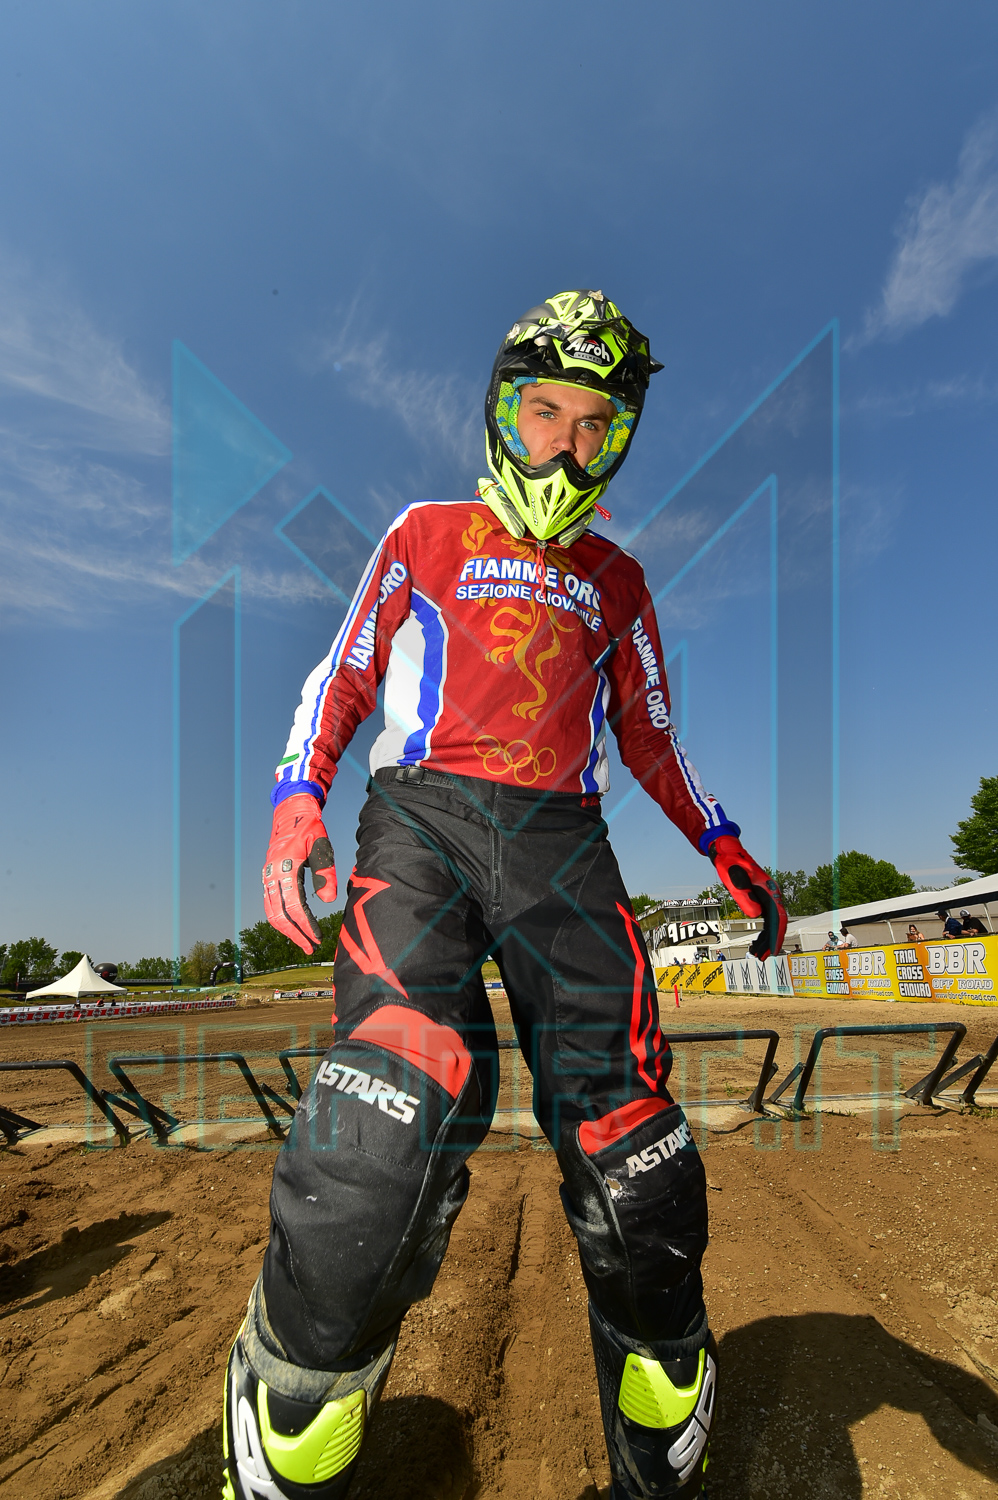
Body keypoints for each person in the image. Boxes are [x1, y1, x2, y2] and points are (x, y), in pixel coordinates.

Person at [222, 290, 787, 1500]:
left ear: (619, 441)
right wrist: (294, 797)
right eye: (544, 413)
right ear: (499, 411)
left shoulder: (618, 581)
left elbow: (651, 736)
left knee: (635, 1156)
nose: (565, 449)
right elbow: (343, 673)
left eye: (595, 427)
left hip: (562, 845)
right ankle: (287, 1404)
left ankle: (659, 1420)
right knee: (387, 1111)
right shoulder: (424, 531)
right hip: (419, 820)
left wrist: (723, 840)